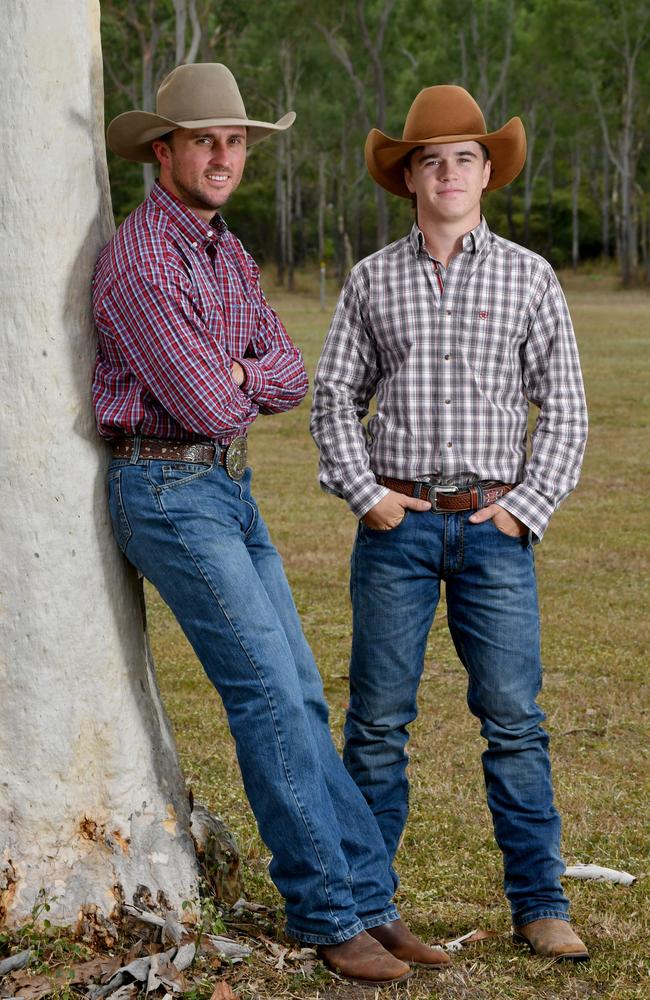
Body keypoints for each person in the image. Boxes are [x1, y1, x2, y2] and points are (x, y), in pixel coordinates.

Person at [93, 62, 450, 985]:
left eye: (236, 140)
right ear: (163, 151)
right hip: (166, 492)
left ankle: (371, 900)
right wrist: (242, 371)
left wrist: (246, 373)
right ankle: (328, 911)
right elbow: (214, 400)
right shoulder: (142, 256)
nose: (223, 155)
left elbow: (288, 373)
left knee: (297, 693)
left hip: (229, 491)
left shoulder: (226, 252)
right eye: (204, 140)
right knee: (265, 699)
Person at [311, 85, 590, 962]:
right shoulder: (371, 280)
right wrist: (369, 496)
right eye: (430, 159)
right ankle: (364, 906)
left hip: (494, 528)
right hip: (397, 527)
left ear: (485, 171)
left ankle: (541, 905)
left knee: (513, 719)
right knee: (379, 724)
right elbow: (331, 399)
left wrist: (523, 511)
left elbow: (569, 411)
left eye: (465, 157)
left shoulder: (529, 277)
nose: (449, 172)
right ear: (409, 177)